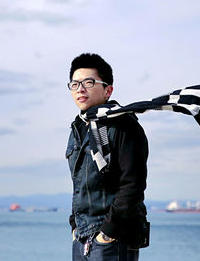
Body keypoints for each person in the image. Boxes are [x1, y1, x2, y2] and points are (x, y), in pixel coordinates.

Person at [66, 53, 149, 261]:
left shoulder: (124, 126)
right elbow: (79, 185)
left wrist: (108, 232)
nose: (80, 89)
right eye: (74, 84)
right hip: (82, 236)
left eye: (88, 82)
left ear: (108, 90)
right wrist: (74, 226)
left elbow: (133, 186)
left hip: (113, 238)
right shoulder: (78, 128)